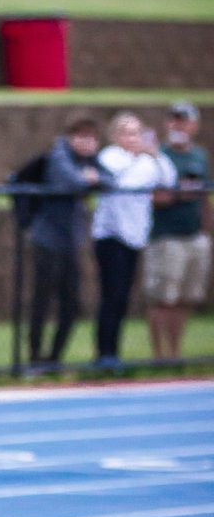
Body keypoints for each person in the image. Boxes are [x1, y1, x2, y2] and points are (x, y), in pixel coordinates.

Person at [91, 111, 176, 369]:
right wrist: (139, 158)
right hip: (111, 235)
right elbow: (119, 182)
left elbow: (168, 179)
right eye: (128, 133)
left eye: (137, 132)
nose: (134, 138)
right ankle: (105, 353)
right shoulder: (110, 157)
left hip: (135, 235)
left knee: (123, 297)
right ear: (116, 135)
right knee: (112, 295)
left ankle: (114, 353)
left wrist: (155, 154)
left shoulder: (149, 160)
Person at [26, 113, 111, 373]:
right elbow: (72, 181)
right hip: (46, 239)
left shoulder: (91, 161)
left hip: (71, 242)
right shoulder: (58, 155)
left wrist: (92, 178)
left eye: (92, 139)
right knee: (41, 301)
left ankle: (54, 359)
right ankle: (34, 359)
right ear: (71, 137)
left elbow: (111, 180)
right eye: (81, 137)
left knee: (72, 303)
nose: (87, 144)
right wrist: (88, 179)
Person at [143, 103, 211, 360]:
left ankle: (175, 353)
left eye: (184, 121)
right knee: (162, 297)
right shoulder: (156, 155)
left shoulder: (199, 156)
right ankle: (158, 355)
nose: (178, 126)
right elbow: (148, 195)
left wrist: (206, 227)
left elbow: (203, 195)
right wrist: (176, 194)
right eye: (174, 120)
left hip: (193, 235)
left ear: (194, 125)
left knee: (185, 297)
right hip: (165, 235)